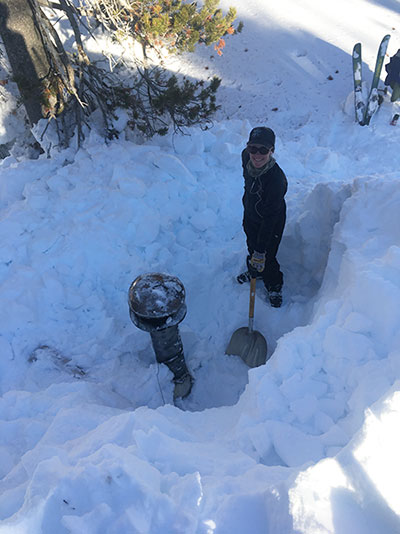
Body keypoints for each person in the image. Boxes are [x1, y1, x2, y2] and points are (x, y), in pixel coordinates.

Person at [237, 126, 288, 308]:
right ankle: (255, 270)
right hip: (250, 213)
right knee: (251, 246)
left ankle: (274, 284)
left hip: (271, 222)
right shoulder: (246, 158)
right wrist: (255, 251)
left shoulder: (276, 180)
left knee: (267, 254)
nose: (257, 155)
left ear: (272, 151)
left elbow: (270, 218)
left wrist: (261, 252)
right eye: (253, 149)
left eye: (263, 150)